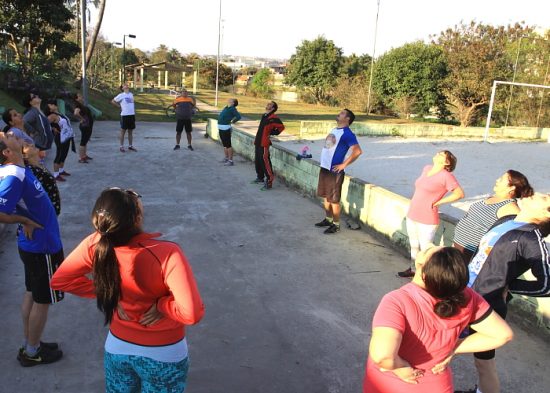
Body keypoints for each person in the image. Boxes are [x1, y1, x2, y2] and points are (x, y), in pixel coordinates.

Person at [51, 188, 205, 392]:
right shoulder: (167, 253)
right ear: (137, 218)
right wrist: (161, 304)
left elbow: (60, 280)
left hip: (118, 348)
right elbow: (191, 313)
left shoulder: (95, 243)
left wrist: (111, 294)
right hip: (164, 353)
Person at [363, 246, 513, 393]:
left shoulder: (397, 301)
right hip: (436, 384)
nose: (432, 246)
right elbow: (503, 335)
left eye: (429, 251)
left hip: (389, 384)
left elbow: (383, 356)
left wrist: (401, 368)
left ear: (422, 270)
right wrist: (453, 348)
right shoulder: (467, 296)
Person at [456, 193, 550, 393]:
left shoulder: (532, 239)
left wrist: (509, 286)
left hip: (486, 305)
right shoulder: (506, 220)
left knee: (483, 363)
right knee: (438, 340)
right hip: (461, 293)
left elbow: (547, 285)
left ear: (545, 213)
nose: (535, 194)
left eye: (544, 197)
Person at [0, 131, 64, 367]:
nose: (11, 134)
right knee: (42, 299)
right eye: (8, 137)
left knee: (32, 293)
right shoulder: (13, 176)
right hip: (41, 246)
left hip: (37, 245)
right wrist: (24, 221)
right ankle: (32, 352)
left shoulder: (18, 168)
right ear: (7, 152)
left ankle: (31, 342)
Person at [398, 150, 464, 277]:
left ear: (447, 162)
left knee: (426, 250)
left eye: (441, 154)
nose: (437, 153)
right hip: (413, 213)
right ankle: (413, 269)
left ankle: (425, 275)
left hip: (427, 218)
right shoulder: (427, 168)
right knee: (414, 245)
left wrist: (438, 202)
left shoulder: (446, 176)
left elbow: (459, 194)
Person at [453, 170, 533, 262]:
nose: (497, 180)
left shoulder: (510, 208)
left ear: (511, 188)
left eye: (502, 179)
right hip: (458, 247)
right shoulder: (493, 197)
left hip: (470, 253)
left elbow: (522, 230)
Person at [314, 108, 362, 234]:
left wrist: (343, 165)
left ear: (347, 119)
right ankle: (328, 219)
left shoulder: (348, 134)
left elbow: (357, 151)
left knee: (334, 200)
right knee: (326, 196)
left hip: (334, 171)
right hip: (325, 168)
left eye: (342, 113)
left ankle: (336, 225)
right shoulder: (335, 130)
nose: (338, 114)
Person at [251, 101, 285, 190]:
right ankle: (260, 177)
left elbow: (281, 127)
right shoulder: (265, 115)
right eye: (268, 104)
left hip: (264, 143)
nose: (267, 105)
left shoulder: (273, 118)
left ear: (273, 108)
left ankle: (269, 181)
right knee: (258, 160)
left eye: (270, 104)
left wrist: (272, 132)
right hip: (258, 141)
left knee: (265, 161)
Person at [23, 140, 61, 215]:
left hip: (51, 210)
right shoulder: (31, 171)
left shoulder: (38, 164)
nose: (31, 144)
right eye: (27, 146)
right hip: (44, 214)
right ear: (24, 155)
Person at [45, 99, 75, 181]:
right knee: (59, 154)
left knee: (64, 154)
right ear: (49, 108)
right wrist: (53, 128)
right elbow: (45, 125)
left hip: (66, 136)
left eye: (53, 104)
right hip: (60, 137)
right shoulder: (52, 116)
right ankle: (56, 174)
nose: (53, 105)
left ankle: (61, 171)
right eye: (51, 104)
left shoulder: (59, 113)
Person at [111, 84, 137, 152]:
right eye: (124, 85)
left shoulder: (131, 94)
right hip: (124, 115)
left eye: (127, 85)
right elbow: (113, 101)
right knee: (123, 131)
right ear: (122, 88)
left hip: (131, 115)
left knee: (130, 131)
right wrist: (119, 106)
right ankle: (121, 146)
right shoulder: (121, 95)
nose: (127, 85)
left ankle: (130, 146)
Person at [217, 98, 242, 166]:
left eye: (231, 100)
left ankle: (230, 161)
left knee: (228, 145)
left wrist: (232, 121)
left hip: (226, 128)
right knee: (225, 145)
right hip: (221, 127)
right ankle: (226, 158)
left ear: (233, 103)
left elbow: (238, 116)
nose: (229, 99)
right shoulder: (226, 107)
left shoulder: (232, 109)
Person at [73, 93, 94, 163]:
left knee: (85, 141)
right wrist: (82, 119)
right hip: (85, 126)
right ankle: (81, 158)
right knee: (83, 142)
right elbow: (76, 113)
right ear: (76, 99)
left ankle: (84, 156)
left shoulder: (81, 105)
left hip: (88, 125)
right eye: (79, 96)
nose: (81, 97)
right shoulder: (78, 105)